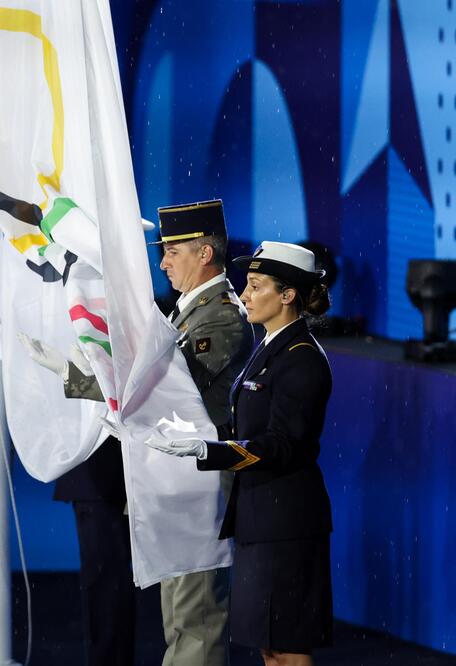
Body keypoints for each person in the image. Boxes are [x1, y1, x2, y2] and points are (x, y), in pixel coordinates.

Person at [24, 199, 253, 666]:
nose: (163, 261)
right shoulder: (188, 312)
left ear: (204, 253)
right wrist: (78, 373)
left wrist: (81, 375)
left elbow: (165, 386)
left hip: (199, 485)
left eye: (173, 251)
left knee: (198, 623)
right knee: (180, 619)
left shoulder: (222, 315)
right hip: (173, 481)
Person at [146, 241, 334, 666]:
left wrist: (211, 451)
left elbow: (282, 447)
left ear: (287, 296)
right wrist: (196, 435)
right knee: (269, 646)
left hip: (286, 521)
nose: (244, 294)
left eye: (255, 286)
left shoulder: (302, 359)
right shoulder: (270, 350)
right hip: (259, 516)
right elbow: (244, 427)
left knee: (286, 648)